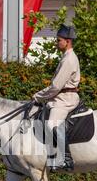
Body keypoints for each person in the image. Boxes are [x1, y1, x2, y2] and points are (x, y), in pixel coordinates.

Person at [32, 24, 80, 171]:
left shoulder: (68, 59)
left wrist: (38, 96)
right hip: (62, 96)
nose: (56, 42)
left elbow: (55, 87)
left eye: (59, 40)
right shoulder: (66, 57)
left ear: (67, 41)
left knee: (51, 124)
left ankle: (65, 158)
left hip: (66, 98)